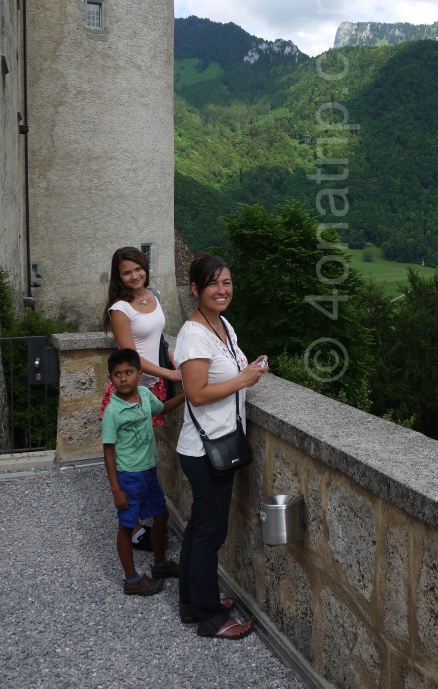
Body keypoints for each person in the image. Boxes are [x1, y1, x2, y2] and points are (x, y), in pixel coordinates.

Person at [175, 252, 268, 639]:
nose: (221, 289)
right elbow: (195, 393)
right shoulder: (194, 333)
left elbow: (226, 372)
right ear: (195, 289)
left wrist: (249, 372)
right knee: (210, 533)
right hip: (204, 449)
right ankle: (211, 617)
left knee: (200, 528)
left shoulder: (222, 325)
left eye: (226, 282)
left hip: (216, 442)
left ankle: (190, 604)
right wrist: (244, 380)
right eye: (212, 283)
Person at [100, 246, 180, 550]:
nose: (134, 276)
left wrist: (174, 359)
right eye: (126, 272)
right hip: (131, 389)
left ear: (145, 267)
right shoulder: (121, 309)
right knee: (126, 456)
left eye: (137, 269)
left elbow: (158, 338)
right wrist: (172, 375)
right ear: (118, 277)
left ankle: (142, 514)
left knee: (143, 452)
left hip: (152, 386)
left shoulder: (154, 296)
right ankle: (131, 528)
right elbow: (131, 356)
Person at [102, 348, 185, 595]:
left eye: (128, 372)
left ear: (139, 374)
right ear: (111, 378)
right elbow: (108, 452)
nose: (124, 378)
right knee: (127, 526)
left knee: (161, 516)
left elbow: (162, 408)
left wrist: (186, 396)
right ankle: (131, 579)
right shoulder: (112, 412)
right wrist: (116, 489)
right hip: (128, 475)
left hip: (148, 470)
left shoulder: (146, 396)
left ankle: (159, 564)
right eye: (117, 374)